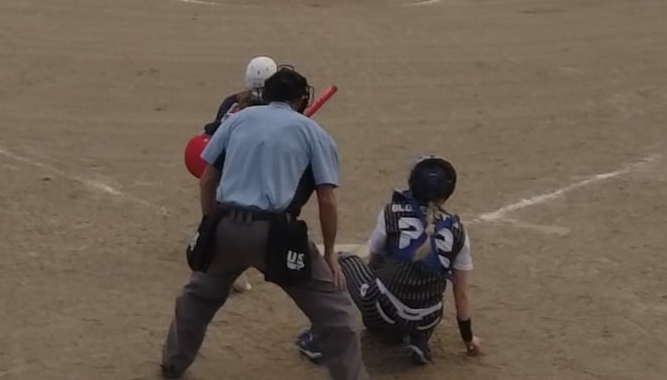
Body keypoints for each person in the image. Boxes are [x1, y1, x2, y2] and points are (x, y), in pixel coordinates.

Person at [161, 65, 364, 380]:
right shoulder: (313, 132)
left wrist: (209, 224)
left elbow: (207, 178)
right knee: (337, 314)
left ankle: (172, 364)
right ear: (300, 98)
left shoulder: (237, 119)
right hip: (276, 235)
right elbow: (327, 199)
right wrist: (329, 253)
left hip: (226, 227)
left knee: (194, 300)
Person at [295, 155, 484, 367]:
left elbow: (374, 260)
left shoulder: (391, 213)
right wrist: (468, 339)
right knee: (430, 293)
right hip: (427, 319)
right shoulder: (458, 230)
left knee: (344, 262)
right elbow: (461, 293)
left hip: (383, 312)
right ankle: (418, 339)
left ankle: (321, 339)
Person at [202, 55, 279, 295]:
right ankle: (237, 265)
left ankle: (213, 242)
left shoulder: (231, 102)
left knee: (222, 210)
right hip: (248, 169)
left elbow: (213, 131)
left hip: (224, 167)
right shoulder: (273, 110)